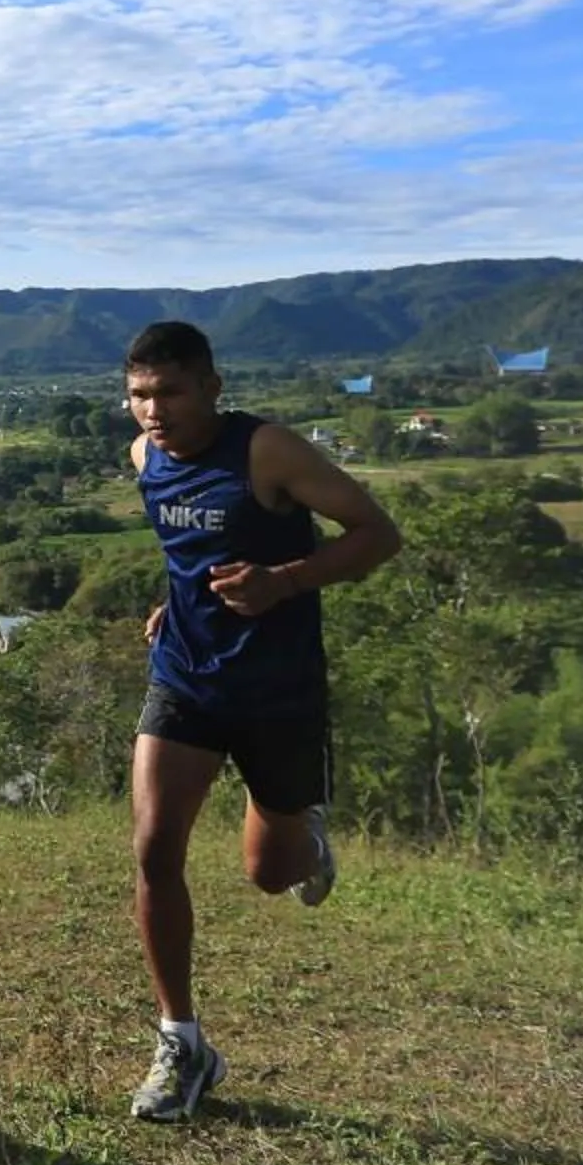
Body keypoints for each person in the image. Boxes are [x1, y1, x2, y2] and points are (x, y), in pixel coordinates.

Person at [121, 320, 401, 1120]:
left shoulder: (266, 452)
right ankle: (184, 1043)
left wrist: (282, 580)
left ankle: (301, 830)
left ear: (212, 386)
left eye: (171, 392)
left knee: (270, 874)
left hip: (277, 689)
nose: (154, 411)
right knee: (152, 850)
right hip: (185, 680)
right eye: (140, 395)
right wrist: (169, 603)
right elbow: (189, 557)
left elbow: (379, 535)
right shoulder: (145, 460)